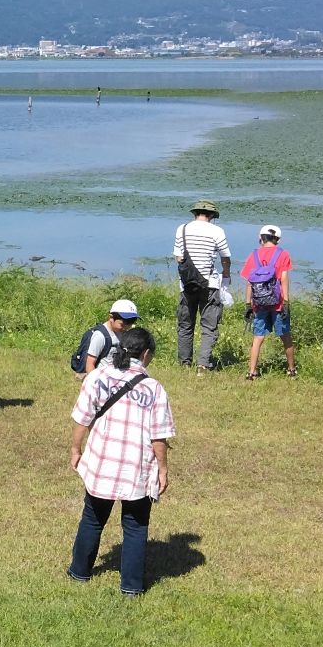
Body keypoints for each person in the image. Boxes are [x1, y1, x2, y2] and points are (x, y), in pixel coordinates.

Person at [67, 326, 175, 596]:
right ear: (146, 354)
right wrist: (162, 469)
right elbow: (158, 436)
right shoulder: (153, 389)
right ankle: (131, 586)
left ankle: (79, 572)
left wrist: (75, 449)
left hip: (102, 462)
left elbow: (82, 419)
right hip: (136, 468)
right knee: (136, 526)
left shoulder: (96, 377)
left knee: (92, 517)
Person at [172, 199, 231, 372]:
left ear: (194, 213)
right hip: (210, 285)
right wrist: (226, 274)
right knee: (209, 326)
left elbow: (179, 257)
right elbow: (225, 257)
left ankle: (184, 364)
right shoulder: (217, 231)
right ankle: (203, 364)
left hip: (187, 285)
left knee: (185, 325)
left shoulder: (182, 229)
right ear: (212, 215)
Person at [242, 224, 297, 379]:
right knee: (285, 336)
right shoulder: (283, 254)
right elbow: (284, 278)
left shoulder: (254, 255)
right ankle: (291, 370)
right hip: (278, 303)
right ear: (277, 240)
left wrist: (248, 304)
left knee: (258, 337)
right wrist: (286, 302)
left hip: (259, 304)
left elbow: (249, 281)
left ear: (260, 238)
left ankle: (251, 372)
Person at [74, 298, 141, 376]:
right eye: (122, 325)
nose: (126, 328)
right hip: (101, 379)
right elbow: (90, 363)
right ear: (111, 317)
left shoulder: (123, 332)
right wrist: (94, 383)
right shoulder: (100, 336)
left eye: (130, 325)